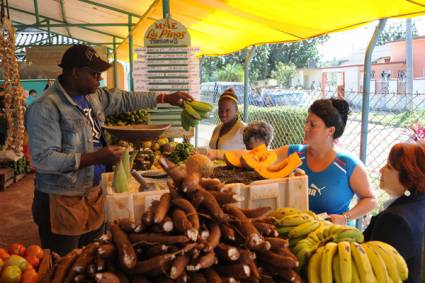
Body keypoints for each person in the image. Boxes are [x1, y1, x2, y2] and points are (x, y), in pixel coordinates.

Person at [25, 44, 192, 256]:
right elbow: (43, 160)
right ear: (75, 72)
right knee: (63, 265)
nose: (100, 79)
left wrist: (163, 98)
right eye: (94, 74)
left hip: (93, 195)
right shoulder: (45, 107)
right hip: (61, 202)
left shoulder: (92, 96)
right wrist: (96, 158)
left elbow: (124, 99)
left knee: (92, 261)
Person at [209, 98, 376, 224]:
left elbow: (370, 199)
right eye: (306, 122)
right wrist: (214, 154)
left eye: (313, 125)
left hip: (334, 237)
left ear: (330, 130)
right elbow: (255, 156)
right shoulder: (295, 153)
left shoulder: (348, 165)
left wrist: (346, 217)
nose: (306, 128)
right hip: (299, 230)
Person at [363, 142, 425, 283]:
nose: (381, 170)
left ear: (409, 177)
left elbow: (372, 274)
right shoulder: (418, 205)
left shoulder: (395, 220)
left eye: (389, 167)